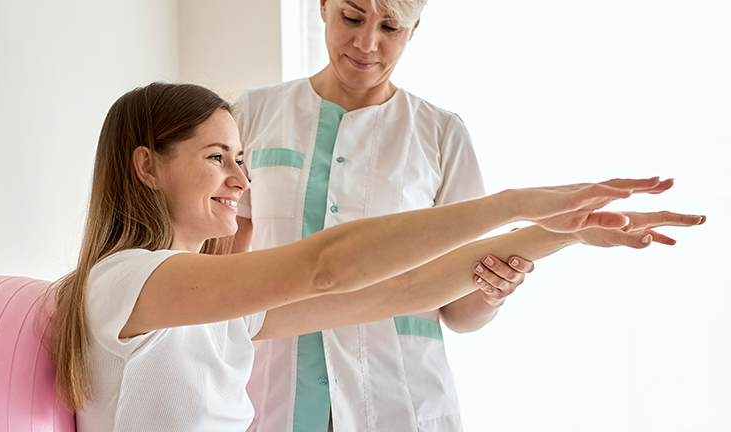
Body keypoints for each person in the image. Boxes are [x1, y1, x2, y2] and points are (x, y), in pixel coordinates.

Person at [50, 82, 704, 431]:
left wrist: (566, 232)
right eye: (216, 158)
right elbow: (324, 266)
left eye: (242, 159)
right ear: (146, 166)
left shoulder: (217, 308)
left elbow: (400, 293)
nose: (241, 182)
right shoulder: (126, 280)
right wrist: (513, 204)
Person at [229, 0, 652, 429]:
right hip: (271, 391)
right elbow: (224, 268)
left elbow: (461, 312)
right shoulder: (254, 114)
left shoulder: (440, 133)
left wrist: (492, 292)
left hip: (399, 397)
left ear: (413, 30)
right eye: (351, 18)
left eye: (391, 28)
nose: (366, 43)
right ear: (323, 7)